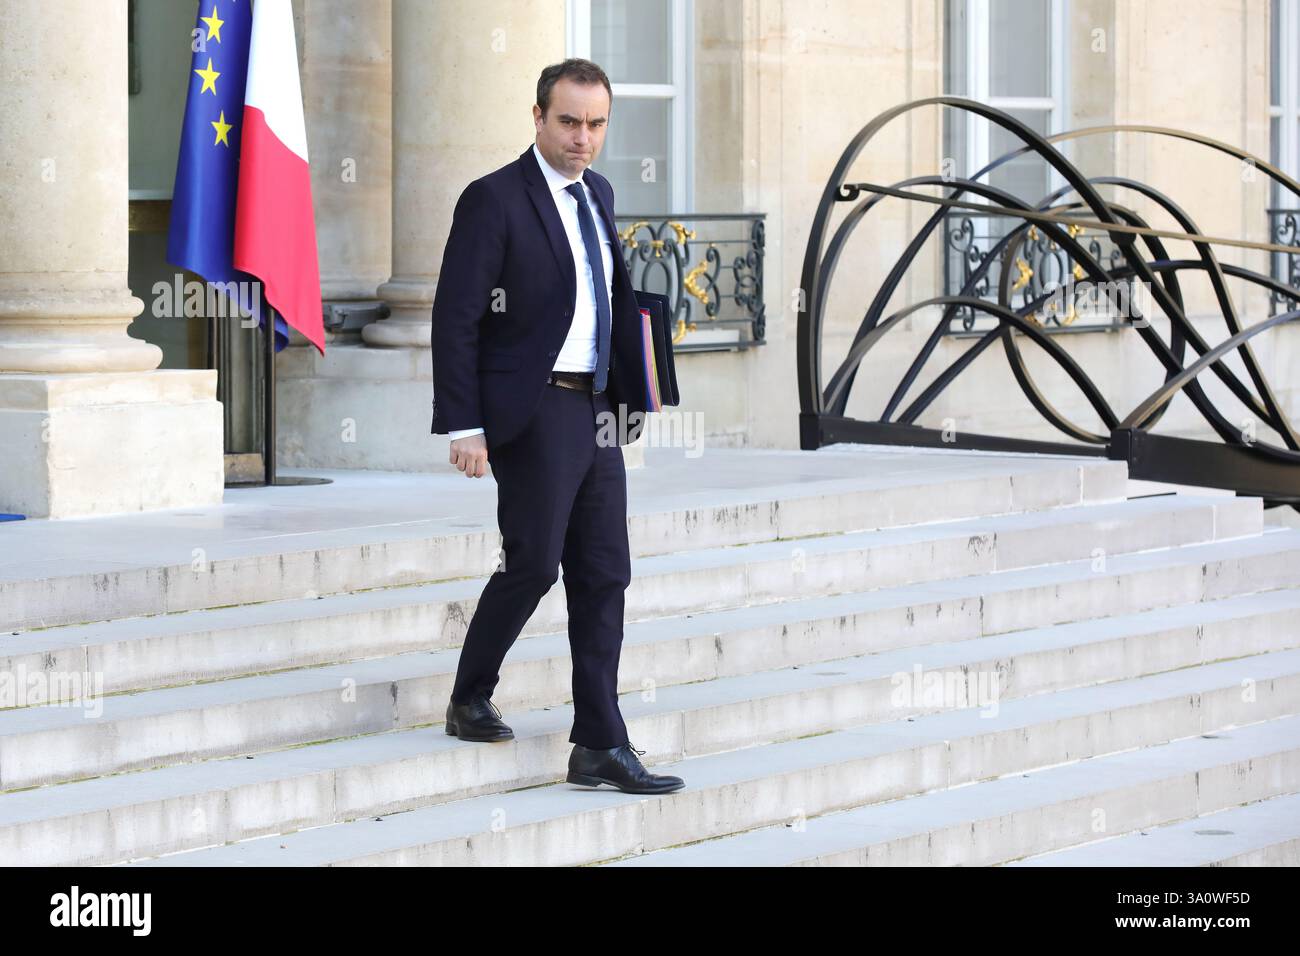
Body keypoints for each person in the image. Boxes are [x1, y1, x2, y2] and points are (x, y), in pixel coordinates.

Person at [429, 58, 684, 795]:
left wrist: (633, 392)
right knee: (535, 562)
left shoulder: (598, 194)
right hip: (532, 407)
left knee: (605, 572)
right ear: (537, 117)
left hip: (597, 406)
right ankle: (470, 691)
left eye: (596, 124)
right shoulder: (493, 200)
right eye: (568, 121)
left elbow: (612, 298)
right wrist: (464, 425)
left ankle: (599, 743)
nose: (583, 138)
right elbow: (456, 318)